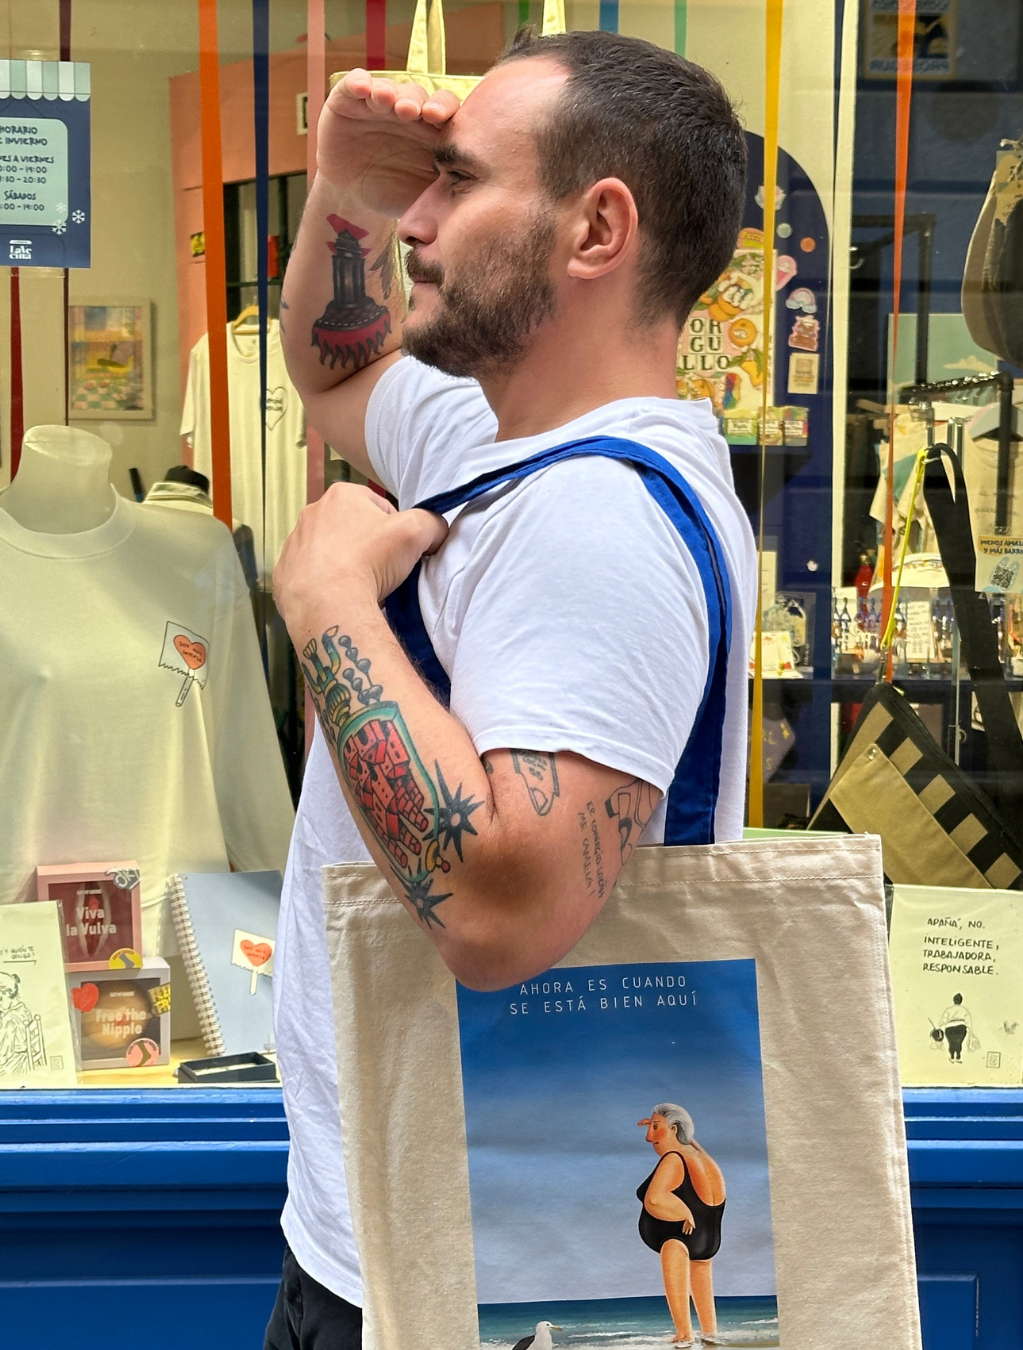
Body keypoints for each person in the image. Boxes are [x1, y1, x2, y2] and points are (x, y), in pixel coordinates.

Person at [268, 26, 754, 1349]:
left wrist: (327, 601)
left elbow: (500, 912)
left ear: (598, 230)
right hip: (391, 1239)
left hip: (463, 1285)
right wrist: (345, 192)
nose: (418, 221)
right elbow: (337, 368)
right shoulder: (500, 441)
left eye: (461, 181)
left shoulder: (595, 523)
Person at [636, 1104, 727, 1347]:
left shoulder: (674, 1159)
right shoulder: (703, 1158)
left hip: (678, 1239)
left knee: (684, 1337)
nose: (649, 1137)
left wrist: (683, 1211)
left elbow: (654, 1199)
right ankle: (710, 1336)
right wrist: (662, 1125)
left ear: (674, 1129)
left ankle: (684, 1335)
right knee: (709, 1332)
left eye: (656, 1128)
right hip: (708, 1241)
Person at [937, 993, 974, 1063]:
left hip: (950, 1028)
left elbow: (944, 1019)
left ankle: (952, 1057)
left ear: (953, 1000)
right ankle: (958, 1057)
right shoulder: (964, 1010)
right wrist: (970, 1030)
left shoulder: (949, 1009)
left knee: (951, 1043)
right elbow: (968, 1021)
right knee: (959, 1043)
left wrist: (938, 1026)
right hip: (961, 1028)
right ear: (961, 1001)